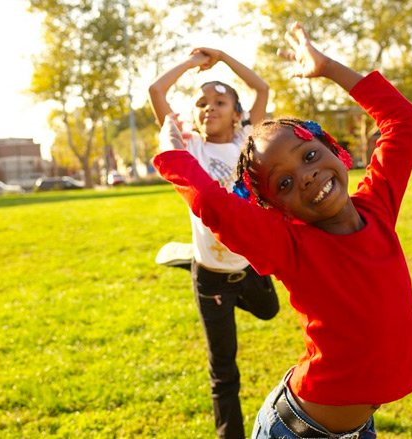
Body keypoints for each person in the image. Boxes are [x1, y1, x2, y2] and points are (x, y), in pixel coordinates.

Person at [154, 23, 412, 439]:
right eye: (284, 184)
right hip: (296, 431)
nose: (308, 177)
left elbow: (402, 120)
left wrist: (329, 67)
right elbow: (210, 201)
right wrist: (171, 148)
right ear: (275, 210)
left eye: (310, 155)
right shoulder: (290, 245)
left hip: (357, 429)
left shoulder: (378, 207)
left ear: (334, 148)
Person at [148, 48, 279, 439]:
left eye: (219, 102)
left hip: (249, 265)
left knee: (270, 310)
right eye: (202, 103)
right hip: (211, 277)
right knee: (223, 369)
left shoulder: (248, 140)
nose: (209, 107)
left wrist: (222, 58)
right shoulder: (190, 146)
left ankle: (195, 259)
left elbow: (261, 87)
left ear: (236, 113)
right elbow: (157, 91)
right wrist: (191, 64)